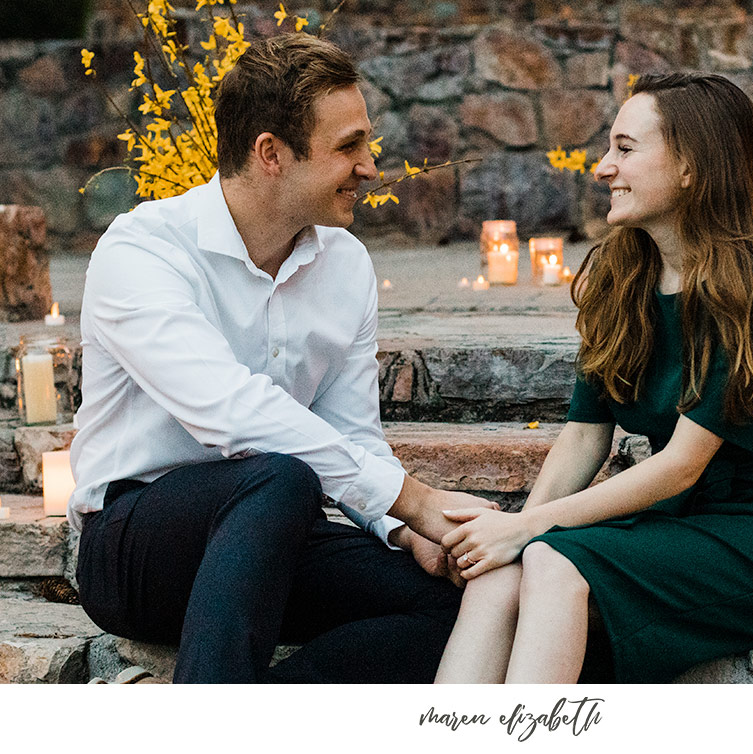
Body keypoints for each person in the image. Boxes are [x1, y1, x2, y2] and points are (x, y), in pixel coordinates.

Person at [70, 34, 491, 684]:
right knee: (281, 476)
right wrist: (415, 500)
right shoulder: (143, 252)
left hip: (278, 538)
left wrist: (408, 532)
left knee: (460, 607)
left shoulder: (345, 266)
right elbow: (232, 412)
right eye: (348, 146)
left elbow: (352, 438)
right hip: (137, 546)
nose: (371, 166)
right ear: (271, 152)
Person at [434, 73, 753, 684]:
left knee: (548, 558)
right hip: (684, 528)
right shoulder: (623, 274)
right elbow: (583, 439)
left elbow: (682, 464)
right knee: (509, 570)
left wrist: (528, 528)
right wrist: (509, 536)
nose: (603, 168)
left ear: (691, 167)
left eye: (625, 149)